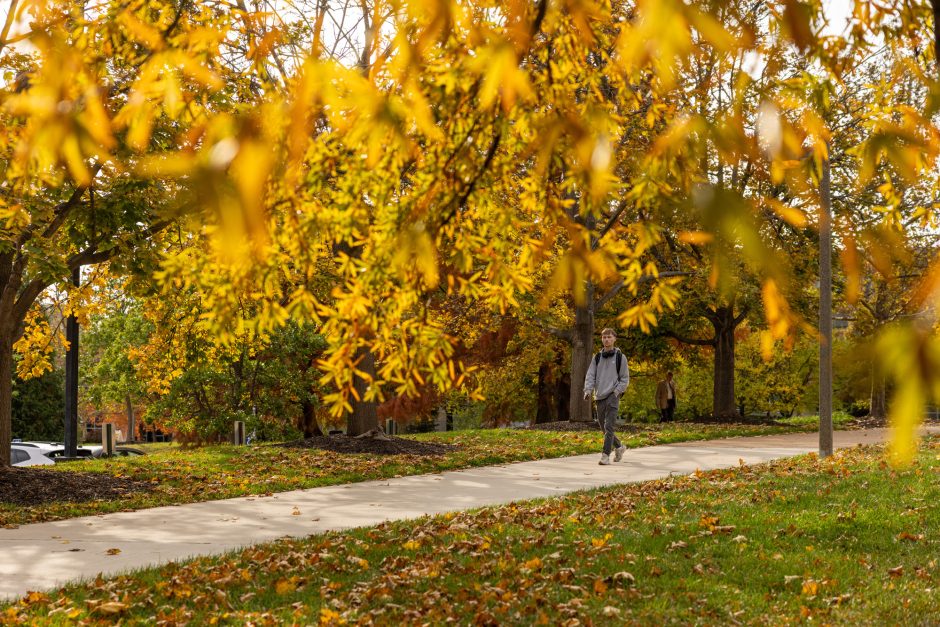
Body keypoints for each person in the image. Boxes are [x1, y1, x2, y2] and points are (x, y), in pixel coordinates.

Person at [583, 327, 630, 465]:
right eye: (604, 337)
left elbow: (624, 378)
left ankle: (605, 455)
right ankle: (620, 447)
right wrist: (588, 390)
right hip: (599, 395)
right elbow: (591, 375)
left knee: (609, 426)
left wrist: (617, 392)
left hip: (612, 395)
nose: (606, 339)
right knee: (603, 427)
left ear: (615, 339)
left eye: (609, 337)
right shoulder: (597, 357)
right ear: (601, 339)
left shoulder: (620, 357)